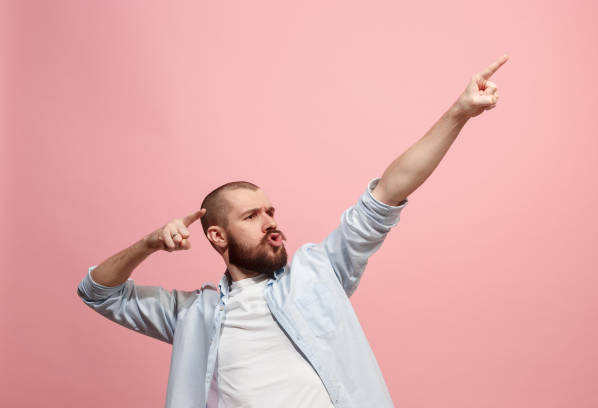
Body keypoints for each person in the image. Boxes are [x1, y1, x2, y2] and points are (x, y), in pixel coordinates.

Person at [77, 54, 509, 408]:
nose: (271, 224)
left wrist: (459, 114)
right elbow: (99, 292)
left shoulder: (318, 273)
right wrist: (150, 243)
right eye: (252, 217)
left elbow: (385, 195)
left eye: (271, 212)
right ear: (216, 237)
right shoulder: (192, 316)